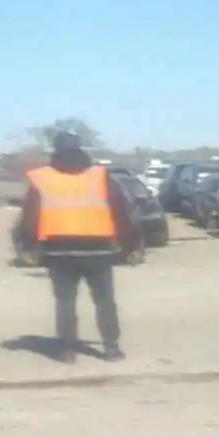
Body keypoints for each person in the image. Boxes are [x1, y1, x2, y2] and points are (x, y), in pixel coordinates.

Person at [12, 131, 140, 363]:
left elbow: (30, 215)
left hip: (59, 251)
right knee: (104, 300)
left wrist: (27, 244)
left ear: (55, 151)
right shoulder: (100, 177)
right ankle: (111, 349)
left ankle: (67, 350)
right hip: (98, 250)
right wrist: (130, 244)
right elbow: (120, 211)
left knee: (65, 302)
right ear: (81, 150)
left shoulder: (43, 178)